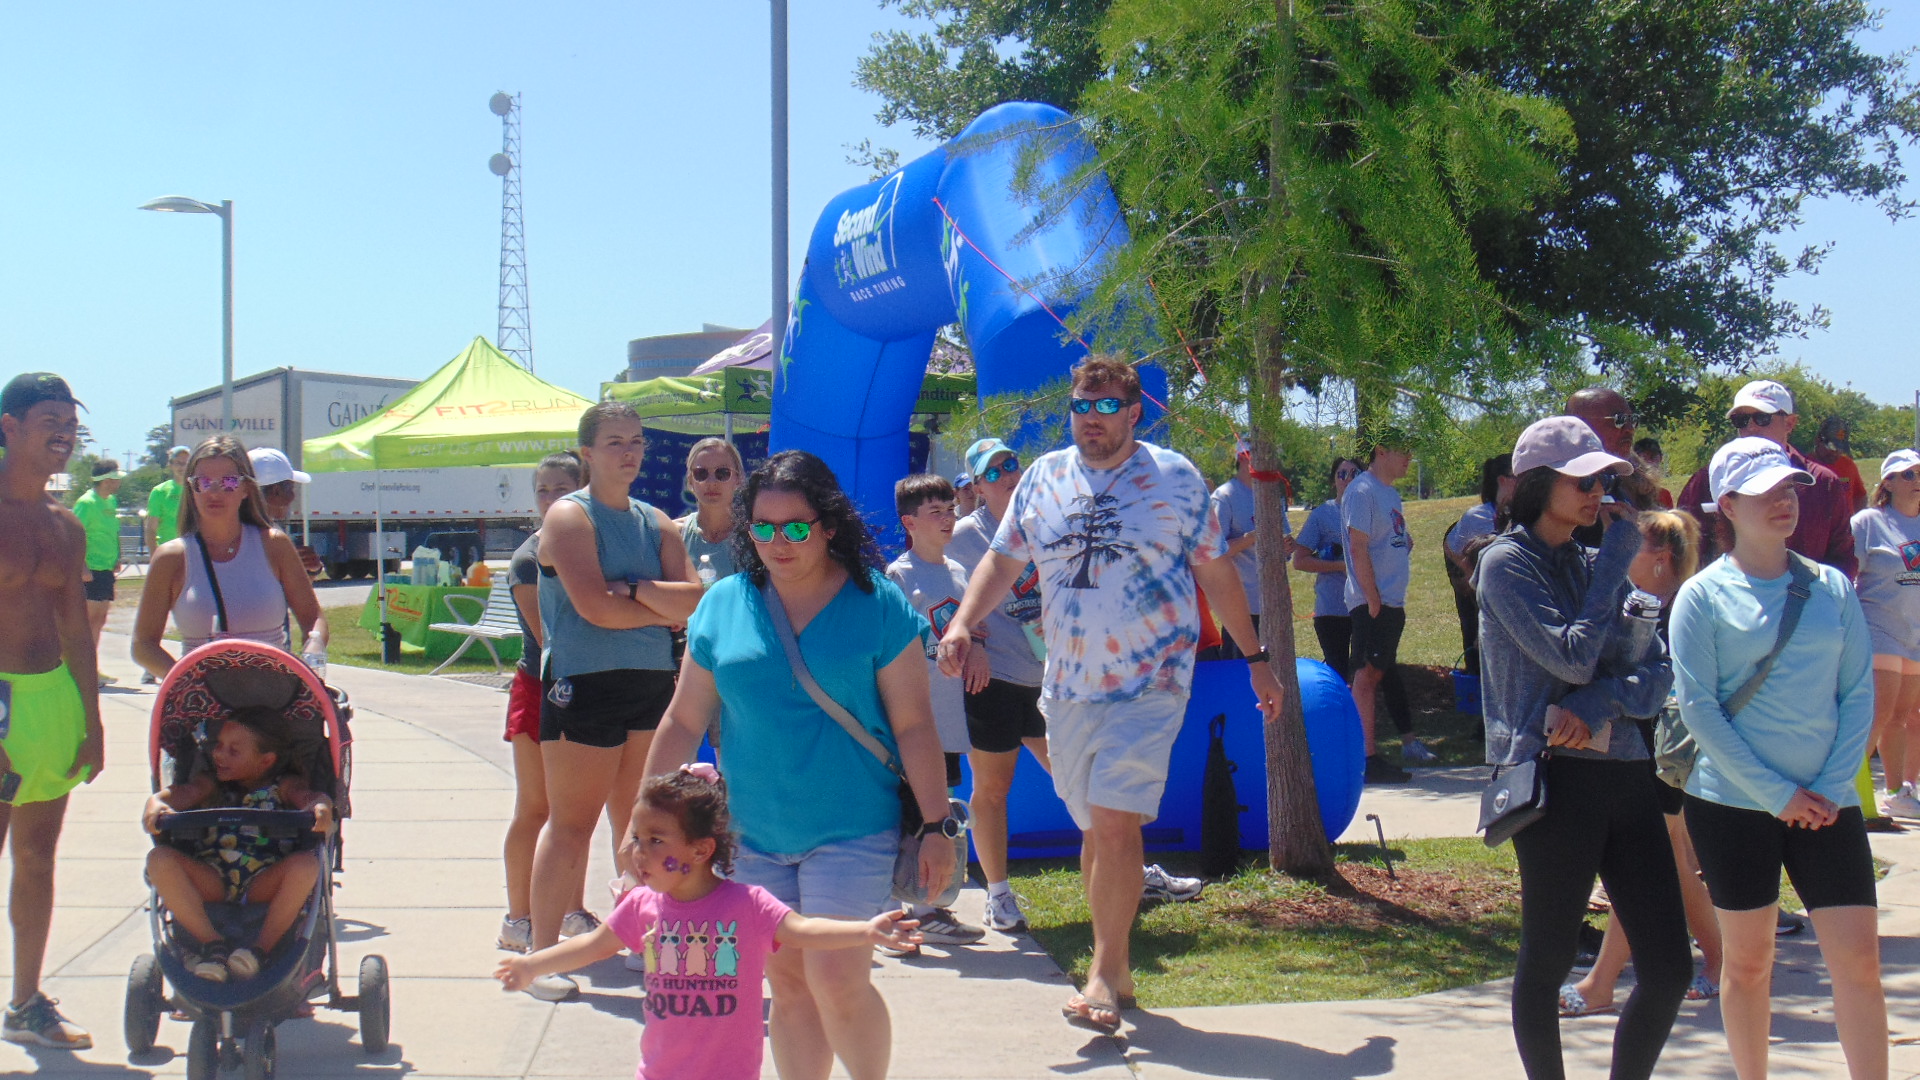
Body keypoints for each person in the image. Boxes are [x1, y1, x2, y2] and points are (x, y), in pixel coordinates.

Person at [937, 356, 1281, 1037]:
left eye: (1104, 406)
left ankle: (1103, 974)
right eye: (1079, 406)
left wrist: (1257, 659)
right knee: (1095, 826)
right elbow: (1003, 562)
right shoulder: (1044, 478)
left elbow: (1216, 573)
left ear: (1134, 411)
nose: (1089, 418)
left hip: (1150, 681)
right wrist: (961, 622)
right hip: (1066, 685)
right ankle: (1116, 966)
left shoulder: (1176, 479)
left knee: (1117, 822)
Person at [644, 449, 955, 1080]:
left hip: (852, 829)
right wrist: (641, 821)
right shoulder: (722, 604)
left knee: (837, 979)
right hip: (753, 834)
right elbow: (682, 720)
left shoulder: (878, 606)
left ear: (829, 526)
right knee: (787, 985)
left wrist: (937, 826)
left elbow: (916, 725)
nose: (778, 542)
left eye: (796, 526)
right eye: (763, 527)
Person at [1476, 416, 1691, 1080]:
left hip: (1625, 775)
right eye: (1583, 480)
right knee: (1546, 961)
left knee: (1670, 969)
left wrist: (1601, 701)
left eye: (1604, 480)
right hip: (1553, 782)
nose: (1598, 493)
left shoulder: (1599, 566)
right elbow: (1570, 655)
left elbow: (1659, 677)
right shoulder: (1505, 564)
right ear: (1538, 483)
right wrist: (1619, 558)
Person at [1670, 436, 1883, 1080]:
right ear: (1727, 505)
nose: (1784, 501)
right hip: (1732, 805)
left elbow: (1858, 694)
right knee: (1749, 963)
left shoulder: (1831, 590)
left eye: (1789, 488)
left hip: (1827, 804)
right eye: (1766, 491)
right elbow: (1699, 710)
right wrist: (1777, 794)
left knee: (1859, 964)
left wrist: (1825, 785)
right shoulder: (1701, 597)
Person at [495, 765, 925, 1080]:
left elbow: (805, 931)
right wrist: (533, 965)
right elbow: (591, 946)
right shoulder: (641, 905)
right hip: (659, 1072)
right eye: (638, 840)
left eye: (655, 841)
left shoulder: (747, 905)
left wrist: (866, 930)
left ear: (701, 851)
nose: (639, 853)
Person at [528, 401, 702, 1000]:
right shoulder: (569, 519)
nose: (628, 452)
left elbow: (694, 605)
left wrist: (632, 591)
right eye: (613, 442)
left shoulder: (659, 524)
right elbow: (591, 609)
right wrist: (656, 610)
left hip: (651, 684)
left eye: (636, 441)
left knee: (643, 826)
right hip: (584, 686)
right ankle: (539, 955)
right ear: (587, 453)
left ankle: (644, 939)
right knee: (570, 823)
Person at [1557, 510, 1725, 1015]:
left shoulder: (1675, 608)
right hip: (1661, 746)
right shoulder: (1655, 603)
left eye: (1630, 546)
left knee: (1663, 862)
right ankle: (1712, 961)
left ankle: (1609, 980)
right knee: (1667, 862)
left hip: (1670, 746)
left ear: (1660, 558)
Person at [0, 372, 103, 1050]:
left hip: (52, 702)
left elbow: (75, 631)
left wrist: (92, 721)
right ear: (9, 427)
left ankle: (26, 1002)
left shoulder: (66, 528)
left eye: (70, 419)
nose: (64, 430)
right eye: (49, 418)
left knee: (38, 858)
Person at [141, 708, 333, 983]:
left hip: (262, 880)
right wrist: (157, 804)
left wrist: (320, 807)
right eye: (218, 745)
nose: (219, 754)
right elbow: (182, 794)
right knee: (158, 858)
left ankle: (259, 952)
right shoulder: (211, 783)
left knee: (306, 865)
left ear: (266, 760)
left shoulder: (283, 785)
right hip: (214, 876)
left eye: (233, 751)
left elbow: (310, 797)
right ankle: (212, 945)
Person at [947, 437, 1051, 933]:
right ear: (975, 486)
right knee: (991, 791)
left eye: (1011, 464)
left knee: (1084, 779)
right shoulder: (966, 536)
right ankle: (998, 894)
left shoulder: (1052, 521)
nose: (1007, 475)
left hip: (1054, 676)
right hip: (997, 679)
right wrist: (978, 643)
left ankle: (1130, 872)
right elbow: (950, 601)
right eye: (993, 472)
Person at [885, 473, 988, 950]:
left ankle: (927, 905)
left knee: (939, 808)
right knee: (911, 813)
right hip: (911, 722)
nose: (948, 519)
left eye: (951, 509)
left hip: (948, 718)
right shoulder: (898, 577)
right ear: (909, 522)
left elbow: (969, 632)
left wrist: (976, 650)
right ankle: (914, 910)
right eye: (936, 513)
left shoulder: (959, 573)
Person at [131, 437, 329, 681]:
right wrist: (187, 685)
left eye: (228, 482)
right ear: (191, 489)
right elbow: (143, 645)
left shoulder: (275, 545)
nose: (215, 492)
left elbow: (314, 619)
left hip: (271, 702)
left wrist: (313, 649)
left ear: (246, 488)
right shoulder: (171, 558)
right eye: (203, 482)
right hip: (202, 707)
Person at [497, 452, 588, 954]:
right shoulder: (530, 559)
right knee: (535, 808)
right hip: (540, 689)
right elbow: (547, 635)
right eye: (543, 491)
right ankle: (518, 918)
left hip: (583, 689)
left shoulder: (587, 545)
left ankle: (570, 911)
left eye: (561, 489)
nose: (551, 499)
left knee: (575, 811)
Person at [1678, 380, 1856, 576]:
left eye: (1762, 418)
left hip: (1809, 600)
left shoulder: (1822, 482)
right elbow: (1686, 549)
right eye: (1741, 420)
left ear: (1790, 423)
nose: (1751, 427)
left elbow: (1842, 556)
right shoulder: (1710, 479)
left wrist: (1823, 599)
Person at [1343, 430, 1427, 779]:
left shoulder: (1389, 493)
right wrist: (1373, 598)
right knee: (1364, 677)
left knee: (1375, 674)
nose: (1409, 458)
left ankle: (1365, 755)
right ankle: (1363, 759)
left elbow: (1386, 539)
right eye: (1403, 451)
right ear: (1381, 451)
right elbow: (1357, 546)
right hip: (1372, 601)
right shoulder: (1361, 491)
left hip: (1391, 601)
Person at [1852, 449, 1920, 819]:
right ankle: (1845, 788)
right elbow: (1850, 571)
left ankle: (1897, 792)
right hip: (1877, 625)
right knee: (1879, 711)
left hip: (1914, 632)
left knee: (1905, 714)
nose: (1916, 481)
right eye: (1907, 475)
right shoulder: (1869, 521)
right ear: (1888, 482)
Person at [1205, 436, 1295, 661]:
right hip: (1242, 607)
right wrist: (1253, 537)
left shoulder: (1270, 493)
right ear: (1243, 457)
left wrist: (1286, 546)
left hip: (1273, 603)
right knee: (1240, 672)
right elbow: (1214, 552)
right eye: (1261, 454)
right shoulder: (1225, 496)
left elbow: (1284, 541)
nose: (1269, 460)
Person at [1444, 454, 1515, 675]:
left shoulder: (1528, 513)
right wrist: (1471, 573)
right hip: (1485, 600)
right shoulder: (1477, 516)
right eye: (1519, 477)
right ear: (1502, 480)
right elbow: (1450, 545)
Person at [1293, 458, 1362, 674]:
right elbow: (1300, 560)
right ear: (1333, 481)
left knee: (1367, 671)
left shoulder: (1373, 511)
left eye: (1354, 473)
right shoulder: (1322, 515)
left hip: (1367, 606)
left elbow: (1404, 542)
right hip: (1332, 608)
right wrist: (1342, 566)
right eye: (1342, 474)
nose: (1348, 479)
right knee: (1337, 672)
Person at [72, 458, 124, 682]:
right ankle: (80, 668)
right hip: (89, 568)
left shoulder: (110, 502)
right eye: (114, 478)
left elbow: (112, 531)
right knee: (88, 619)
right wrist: (81, 565)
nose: (117, 483)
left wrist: (117, 555)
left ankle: (91, 665)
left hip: (105, 568)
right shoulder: (87, 502)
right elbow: (74, 534)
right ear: (104, 480)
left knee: (100, 618)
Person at [677, 437, 744, 584]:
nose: (711, 482)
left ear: (738, 479)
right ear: (690, 481)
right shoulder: (673, 535)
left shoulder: (755, 538)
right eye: (701, 474)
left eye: (722, 473)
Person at [248, 448, 323, 579]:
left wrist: (310, 570)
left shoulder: (234, 530)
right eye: (291, 489)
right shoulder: (266, 537)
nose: (293, 497)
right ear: (276, 491)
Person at [1816, 416, 1869, 515]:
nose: (1835, 452)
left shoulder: (1848, 465)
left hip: (1844, 529)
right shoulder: (1803, 466)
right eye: (1831, 446)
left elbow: (1860, 496)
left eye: (1840, 448)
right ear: (1818, 440)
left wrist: (1857, 520)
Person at [144, 445, 191, 553]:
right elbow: (151, 529)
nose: (182, 467)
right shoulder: (160, 491)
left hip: (192, 552)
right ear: (170, 465)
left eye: (185, 463)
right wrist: (154, 556)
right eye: (178, 463)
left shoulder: (197, 489)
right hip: (168, 552)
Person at [1632, 438, 1675, 510]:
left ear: (1660, 458)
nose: (1649, 462)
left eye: (1653, 457)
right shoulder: (1628, 491)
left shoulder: (1664, 494)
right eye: (1643, 458)